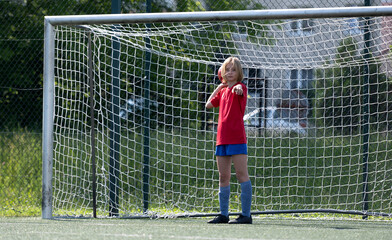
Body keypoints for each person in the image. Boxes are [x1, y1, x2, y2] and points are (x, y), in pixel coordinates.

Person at [205, 57, 252, 224]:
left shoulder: (241, 88)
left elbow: (240, 87)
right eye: (227, 69)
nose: (230, 72)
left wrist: (237, 86)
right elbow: (208, 104)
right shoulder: (223, 91)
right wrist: (219, 86)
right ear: (222, 73)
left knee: (241, 175)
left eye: (233, 70)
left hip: (237, 139)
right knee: (223, 177)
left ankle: (246, 215)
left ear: (238, 72)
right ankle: (223, 214)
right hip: (221, 140)